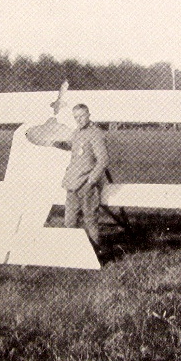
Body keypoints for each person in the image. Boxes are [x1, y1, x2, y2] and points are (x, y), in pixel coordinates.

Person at [61, 103, 108, 253]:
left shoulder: (96, 133)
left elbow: (103, 160)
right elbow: (73, 147)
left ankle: (97, 254)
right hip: (72, 184)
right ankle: (72, 253)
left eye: (82, 116)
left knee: (90, 221)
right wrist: (57, 144)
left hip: (87, 185)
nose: (79, 119)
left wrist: (91, 181)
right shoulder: (76, 133)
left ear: (89, 115)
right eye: (76, 117)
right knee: (69, 221)